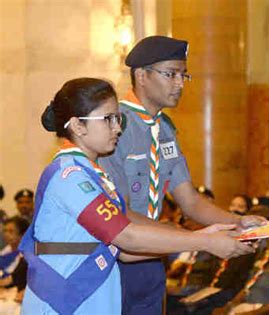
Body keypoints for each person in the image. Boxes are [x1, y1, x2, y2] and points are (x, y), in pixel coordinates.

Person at [20, 78, 255, 315]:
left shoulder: (94, 175)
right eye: (108, 119)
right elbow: (127, 237)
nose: (118, 128)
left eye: (118, 118)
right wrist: (205, 242)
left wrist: (204, 235)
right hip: (63, 304)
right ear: (78, 126)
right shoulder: (69, 176)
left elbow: (125, 251)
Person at [99, 35, 265, 314]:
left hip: (152, 257)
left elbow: (190, 202)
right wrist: (198, 240)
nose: (179, 84)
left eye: (183, 75)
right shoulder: (115, 127)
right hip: (115, 258)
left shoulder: (165, 130)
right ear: (141, 75)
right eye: (171, 74)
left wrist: (237, 222)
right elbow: (120, 210)